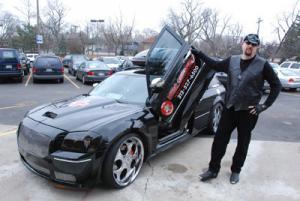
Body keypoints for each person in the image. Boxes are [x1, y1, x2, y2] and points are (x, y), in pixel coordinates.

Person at [191, 34, 282, 184]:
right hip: (229, 109)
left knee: (243, 143)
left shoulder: (263, 64)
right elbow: (214, 65)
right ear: (243, 44)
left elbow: (276, 85)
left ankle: (236, 171)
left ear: (257, 47)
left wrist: (263, 106)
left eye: (253, 44)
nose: (250, 46)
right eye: (247, 43)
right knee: (219, 140)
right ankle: (213, 170)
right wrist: (199, 54)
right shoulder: (232, 60)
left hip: (248, 112)